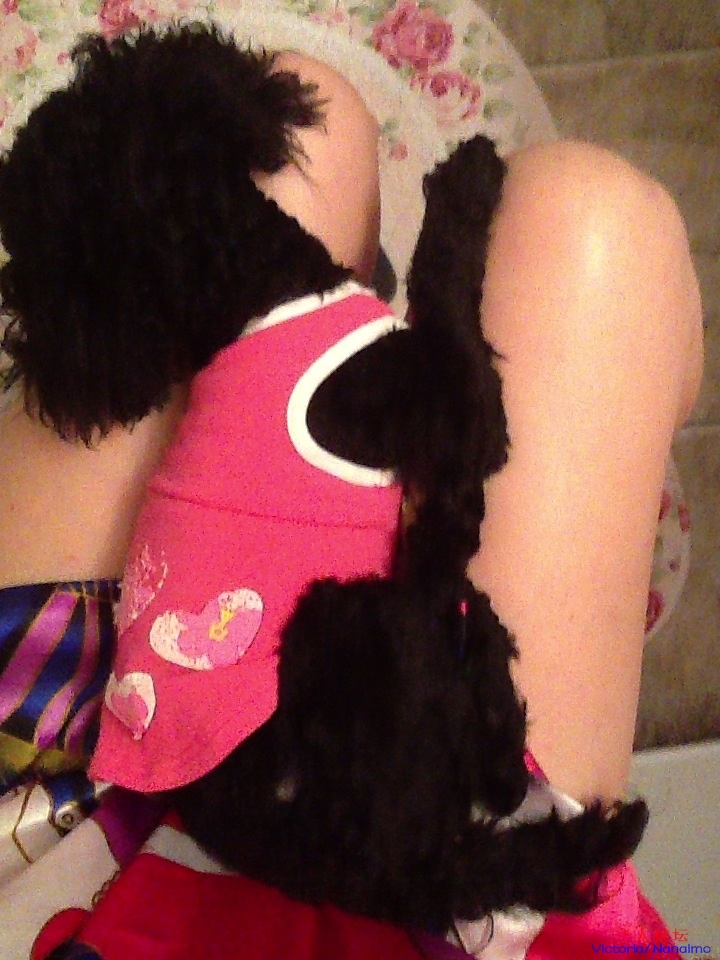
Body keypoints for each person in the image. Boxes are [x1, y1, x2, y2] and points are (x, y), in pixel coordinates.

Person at [0, 23, 703, 960]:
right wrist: (450, 247)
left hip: (69, 774)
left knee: (307, 125)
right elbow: (464, 422)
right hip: (394, 874)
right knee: (596, 227)